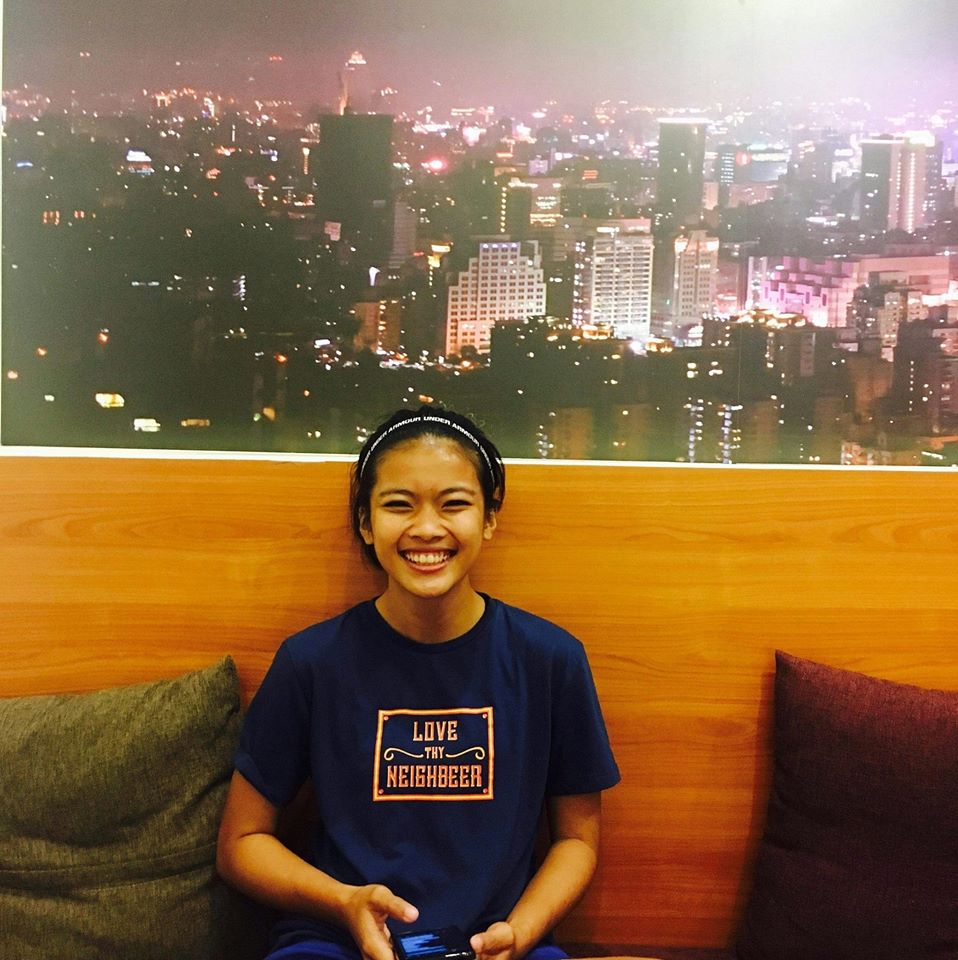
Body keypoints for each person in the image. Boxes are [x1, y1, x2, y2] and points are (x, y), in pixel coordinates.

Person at [217, 405, 620, 960]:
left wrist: (520, 931)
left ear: (490, 517)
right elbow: (241, 843)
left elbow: (577, 841)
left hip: (502, 943)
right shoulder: (311, 661)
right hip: (334, 943)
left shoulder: (551, 659)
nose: (427, 528)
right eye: (398, 505)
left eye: (454, 504)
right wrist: (344, 902)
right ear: (366, 523)